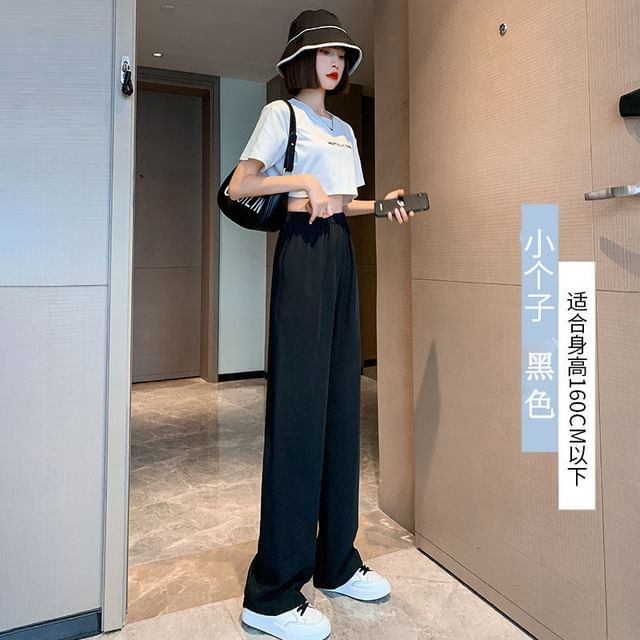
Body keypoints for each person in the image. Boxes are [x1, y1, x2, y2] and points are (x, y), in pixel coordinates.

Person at [228, 9, 416, 640]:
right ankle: (271, 593)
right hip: (302, 254)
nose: (335, 63)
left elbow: (341, 200)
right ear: (301, 59)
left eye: (342, 55)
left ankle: (336, 562)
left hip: (338, 250)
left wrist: (380, 204)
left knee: (340, 407)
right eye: (325, 53)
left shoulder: (343, 128)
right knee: (300, 412)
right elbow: (241, 185)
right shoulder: (281, 115)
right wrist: (302, 179)